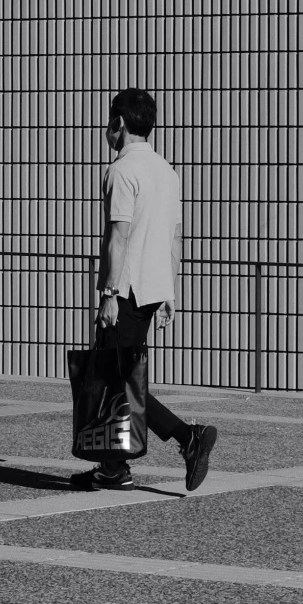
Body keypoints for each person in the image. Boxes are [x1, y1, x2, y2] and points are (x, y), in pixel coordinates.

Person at [72, 87, 217, 493]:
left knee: (118, 380)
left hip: (128, 292)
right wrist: (169, 292)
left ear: (118, 124)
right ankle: (113, 468)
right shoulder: (166, 171)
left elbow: (118, 237)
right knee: (119, 377)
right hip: (152, 291)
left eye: (108, 123)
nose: (106, 131)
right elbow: (175, 238)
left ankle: (189, 437)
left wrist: (109, 294)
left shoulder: (122, 171)